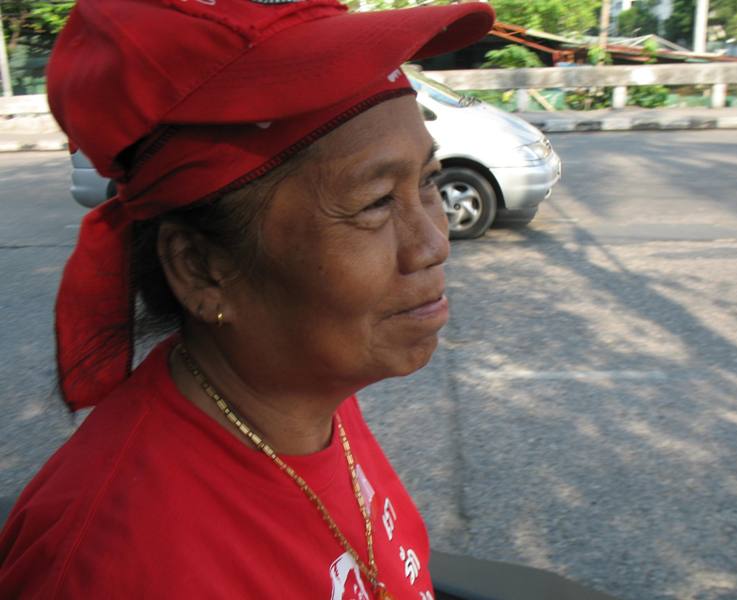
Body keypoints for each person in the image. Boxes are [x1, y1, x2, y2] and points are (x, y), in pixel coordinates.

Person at [0, 0, 494, 597]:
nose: (432, 244)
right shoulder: (117, 565)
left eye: (428, 183)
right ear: (201, 267)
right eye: (374, 204)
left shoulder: (305, 402)